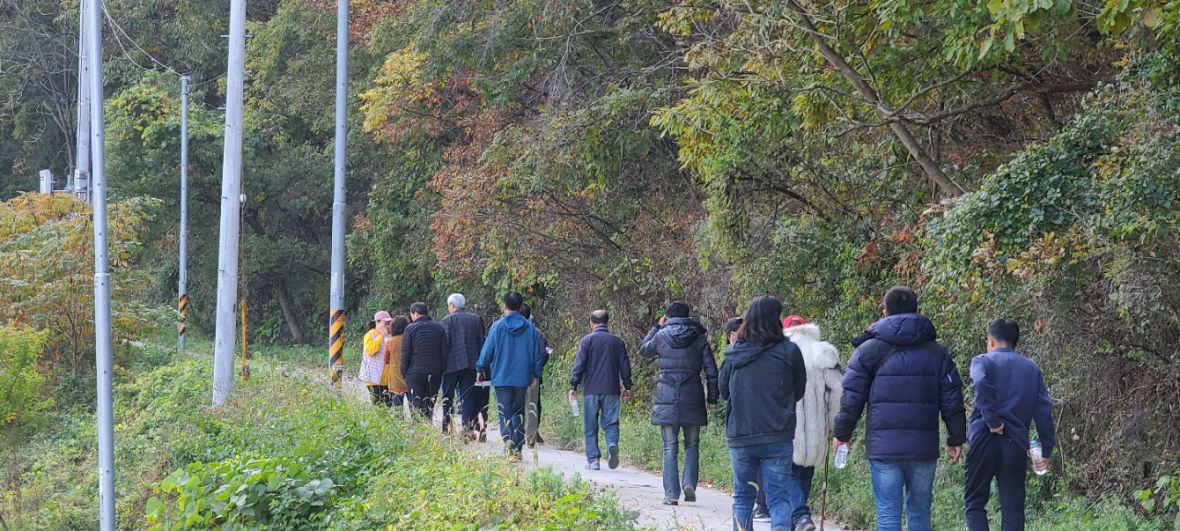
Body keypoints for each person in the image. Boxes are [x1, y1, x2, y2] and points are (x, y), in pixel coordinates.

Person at [832, 286, 967, 531]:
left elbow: (851, 398)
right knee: (920, 513)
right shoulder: (937, 353)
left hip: (883, 447)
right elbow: (952, 397)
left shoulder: (868, 351)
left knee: (887, 515)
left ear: (885, 312)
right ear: (917, 310)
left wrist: (842, 434)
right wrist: (956, 437)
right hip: (923, 447)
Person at [720, 296, 807, 531]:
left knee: (743, 496)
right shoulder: (789, 351)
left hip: (741, 434)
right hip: (778, 433)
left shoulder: (734, 352)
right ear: (776, 318)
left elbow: (723, 390)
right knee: (779, 498)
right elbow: (799, 390)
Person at [964, 319, 1056, 531]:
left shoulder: (982, 361)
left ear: (991, 341)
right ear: (1015, 342)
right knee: (1013, 507)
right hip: (1015, 442)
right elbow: (1043, 411)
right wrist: (1046, 449)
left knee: (975, 503)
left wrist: (991, 419)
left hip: (984, 438)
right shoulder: (1031, 368)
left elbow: (979, 382)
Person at [639, 301, 719, 506]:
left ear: (667, 317)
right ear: (688, 316)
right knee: (692, 444)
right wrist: (712, 397)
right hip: (692, 395)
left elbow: (644, 350)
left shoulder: (661, 335)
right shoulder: (698, 337)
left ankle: (671, 494)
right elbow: (711, 370)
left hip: (666, 395)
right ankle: (689, 483)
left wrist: (656, 327)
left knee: (669, 447)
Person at [782, 315, 844, 531]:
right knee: (804, 474)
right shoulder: (823, 351)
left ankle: (800, 516)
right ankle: (799, 519)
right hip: (816, 427)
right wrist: (835, 425)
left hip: (787, 426)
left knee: (788, 473)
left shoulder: (781, 350)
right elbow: (838, 391)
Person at [475, 292, 544, 457]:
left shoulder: (497, 327)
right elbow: (537, 354)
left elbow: (487, 350)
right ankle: (517, 447)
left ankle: (509, 444)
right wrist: (536, 374)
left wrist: (480, 368)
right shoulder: (530, 328)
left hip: (502, 376)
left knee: (505, 412)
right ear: (520, 307)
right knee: (519, 411)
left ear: (504, 306)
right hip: (522, 377)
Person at [569, 310, 633, 470]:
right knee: (611, 423)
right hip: (611, 389)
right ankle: (611, 443)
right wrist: (627, 387)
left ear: (591, 323)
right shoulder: (617, 341)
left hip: (591, 390)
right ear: (607, 322)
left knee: (590, 426)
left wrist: (573, 386)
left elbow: (579, 365)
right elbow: (625, 367)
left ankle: (594, 460)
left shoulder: (587, 341)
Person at [440, 293, 487, 438]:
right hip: (472, 365)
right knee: (468, 398)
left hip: (451, 365)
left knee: (447, 397)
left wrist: (441, 364)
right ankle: (467, 428)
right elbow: (481, 343)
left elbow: (444, 344)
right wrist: (481, 366)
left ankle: (447, 429)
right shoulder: (476, 319)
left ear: (452, 305)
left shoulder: (447, 320)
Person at [401, 302, 449, 421]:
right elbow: (444, 352)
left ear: (416, 314)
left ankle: (418, 427)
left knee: (416, 402)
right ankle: (428, 423)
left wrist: (403, 371)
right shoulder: (439, 328)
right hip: (434, 371)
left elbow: (406, 352)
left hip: (414, 372)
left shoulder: (410, 329)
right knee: (429, 402)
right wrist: (442, 370)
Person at [520, 303, 550, 447]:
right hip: (531, 375)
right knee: (532, 405)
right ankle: (531, 438)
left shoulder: (504, 329)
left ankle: (514, 435)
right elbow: (544, 354)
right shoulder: (536, 332)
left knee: (513, 405)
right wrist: (536, 372)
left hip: (510, 374)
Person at [361, 312, 393, 405]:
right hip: (373, 378)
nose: (387, 326)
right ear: (377, 323)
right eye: (385, 323)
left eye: (389, 323)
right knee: (378, 404)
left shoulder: (389, 337)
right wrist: (381, 336)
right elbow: (370, 351)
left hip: (386, 379)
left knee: (387, 404)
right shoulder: (370, 335)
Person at [384, 316, 410, 407]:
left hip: (395, 379)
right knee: (414, 407)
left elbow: (386, 360)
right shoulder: (409, 339)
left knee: (397, 408)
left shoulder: (390, 342)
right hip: (409, 377)